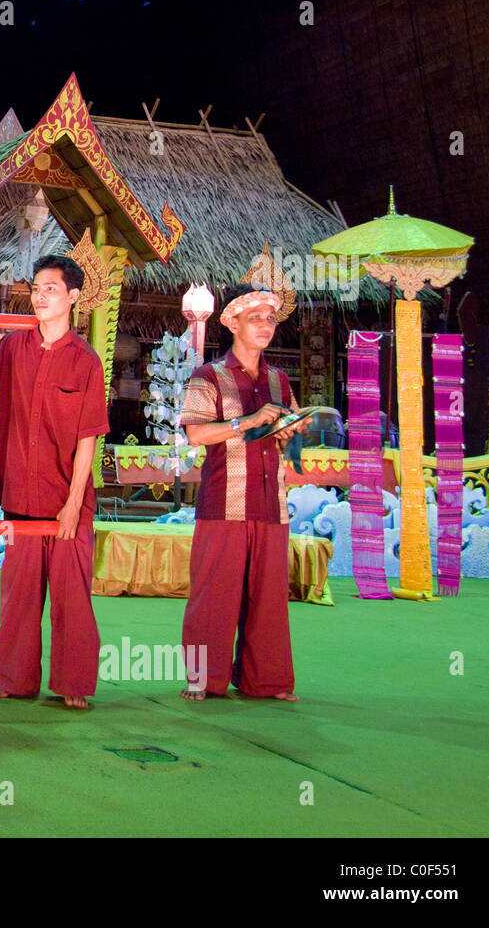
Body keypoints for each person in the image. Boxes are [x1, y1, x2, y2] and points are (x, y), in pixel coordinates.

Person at [0, 255, 109, 709]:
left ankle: (74, 683)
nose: (41, 296)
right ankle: (13, 679)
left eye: (51, 288)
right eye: (36, 288)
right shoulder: (13, 347)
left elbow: (87, 438)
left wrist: (73, 503)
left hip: (67, 501)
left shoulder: (86, 361)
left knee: (71, 598)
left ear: (72, 296)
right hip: (21, 498)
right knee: (18, 597)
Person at [177, 284, 307, 702]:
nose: (266, 325)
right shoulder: (208, 376)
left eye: (270, 319)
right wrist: (247, 422)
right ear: (232, 322)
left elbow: (288, 446)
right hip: (224, 500)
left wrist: (292, 432)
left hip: (272, 503)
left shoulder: (279, 380)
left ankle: (267, 681)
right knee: (214, 594)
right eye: (255, 318)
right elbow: (197, 435)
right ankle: (203, 679)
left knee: (269, 597)